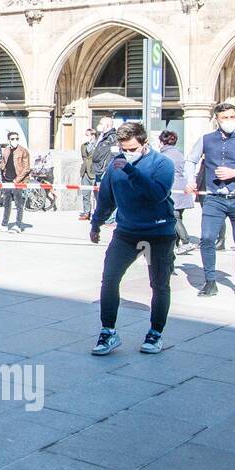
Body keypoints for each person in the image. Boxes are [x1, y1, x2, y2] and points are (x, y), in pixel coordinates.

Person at [89, 122, 177, 355]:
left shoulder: (162, 164)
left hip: (159, 233)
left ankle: (155, 332)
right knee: (109, 279)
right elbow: (106, 198)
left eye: (132, 148)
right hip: (127, 232)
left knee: (159, 284)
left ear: (144, 143)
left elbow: (158, 194)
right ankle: (108, 331)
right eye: (123, 148)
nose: (127, 153)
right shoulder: (114, 166)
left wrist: (131, 170)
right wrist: (96, 223)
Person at [184, 103, 235, 296]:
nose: (229, 121)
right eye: (224, 118)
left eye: (231, 117)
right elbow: (190, 160)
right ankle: (210, 281)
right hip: (214, 197)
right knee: (207, 238)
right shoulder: (206, 139)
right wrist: (190, 180)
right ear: (216, 120)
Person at [157, 130, 193, 252]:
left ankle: (185, 241)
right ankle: (175, 244)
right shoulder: (179, 153)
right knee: (178, 216)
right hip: (182, 187)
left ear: (162, 142)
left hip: (172, 187)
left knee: (174, 216)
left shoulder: (163, 156)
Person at [0, 131, 31, 231]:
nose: (15, 141)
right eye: (12, 139)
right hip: (6, 180)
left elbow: (27, 167)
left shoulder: (23, 151)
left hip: (18, 181)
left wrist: (17, 180)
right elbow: (3, 163)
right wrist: (2, 175)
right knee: (7, 203)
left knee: (18, 203)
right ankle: (4, 224)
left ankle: (18, 224)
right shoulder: (6, 151)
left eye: (17, 138)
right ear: (9, 140)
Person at [89, 118, 120, 222]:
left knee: (108, 195)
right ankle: (103, 215)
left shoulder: (112, 138)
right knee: (100, 195)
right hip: (99, 169)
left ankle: (110, 217)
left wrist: (108, 169)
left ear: (107, 125)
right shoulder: (102, 137)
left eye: (101, 123)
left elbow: (114, 155)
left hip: (105, 170)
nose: (99, 125)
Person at [78, 128, 97, 221]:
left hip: (94, 172)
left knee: (97, 195)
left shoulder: (98, 145)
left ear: (93, 135)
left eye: (87, 135)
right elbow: (84, 158)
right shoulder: (83, 146)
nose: (85, 137)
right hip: (85, 171)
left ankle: (98, 213)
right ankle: (86, 212)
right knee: (85, 194)